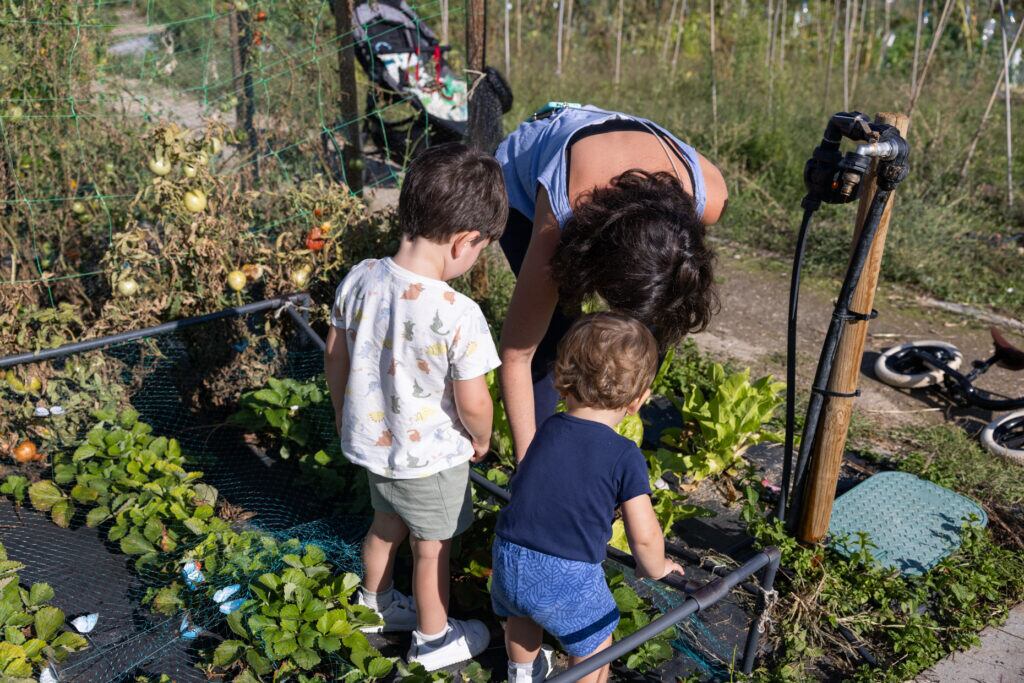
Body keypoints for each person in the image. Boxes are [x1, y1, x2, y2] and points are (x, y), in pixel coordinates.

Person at [324, 142, 507, 670]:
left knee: (386, 525)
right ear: (464, 241)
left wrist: (342, 413)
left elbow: (335, 355)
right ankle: (433, 638)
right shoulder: (458, 312)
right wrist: (482, 437)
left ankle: (375, 604)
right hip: (431, 459)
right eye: (479, 250)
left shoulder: (360, 277)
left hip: (376, 446)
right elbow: (474, 400)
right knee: (432, 549)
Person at [495, 103, 727, 461]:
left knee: (650, 326)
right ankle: (542, 450)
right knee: (551, 336)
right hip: (526, 175)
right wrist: (531, 472)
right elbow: (516, 355)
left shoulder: (709, 196)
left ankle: (608, 426)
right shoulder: (562, 211)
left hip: (616, 148)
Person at [490, 312, 686, 683]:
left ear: (562, 380)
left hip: (509, 554)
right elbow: (644, 536)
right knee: (596, 642)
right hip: (566, 571)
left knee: (522, 614)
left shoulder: (548, 428)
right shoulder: (624, 455)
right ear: (638, 400)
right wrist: (656, 567)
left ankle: (521, 674)